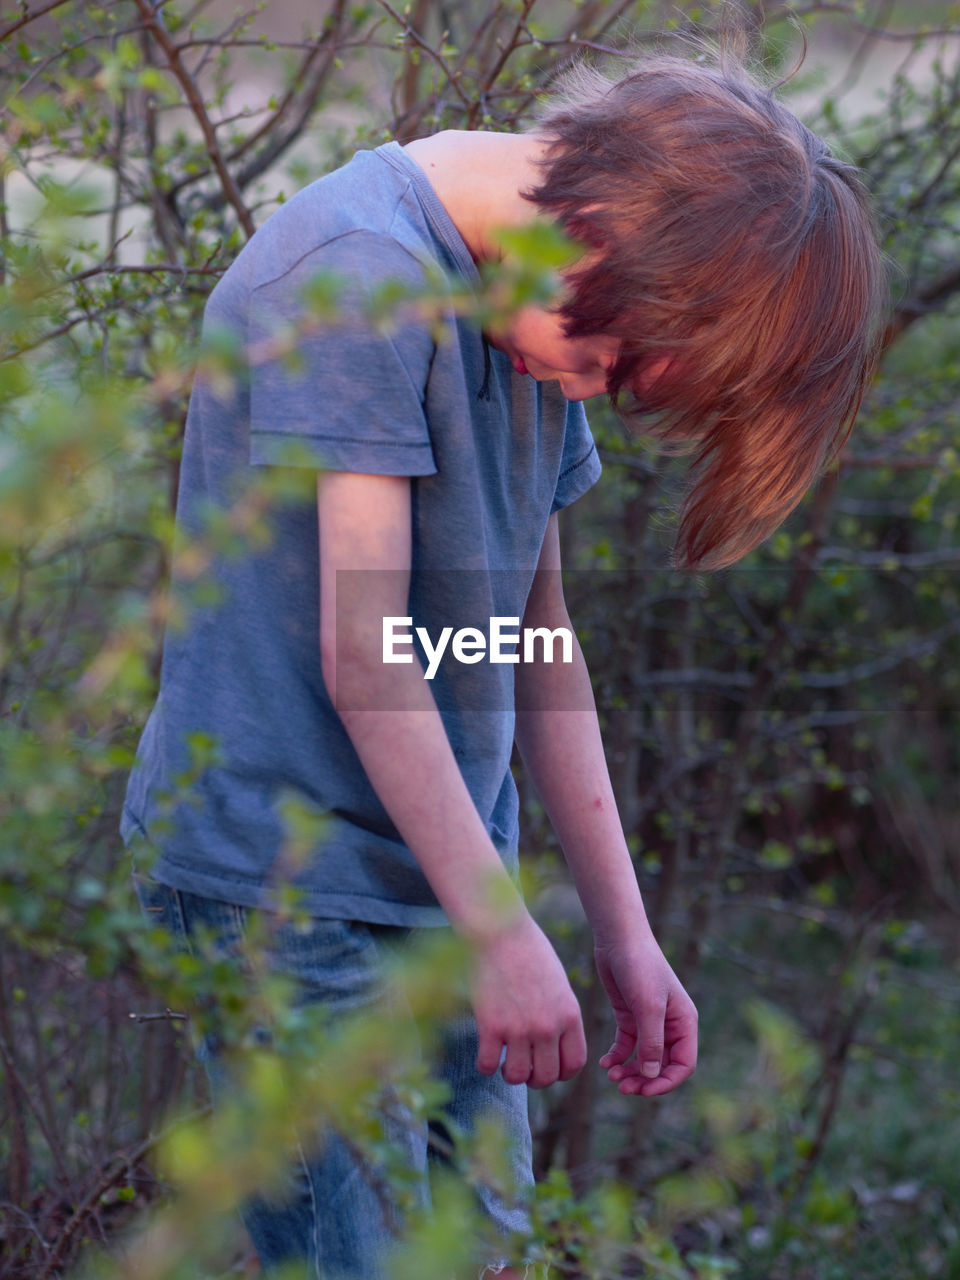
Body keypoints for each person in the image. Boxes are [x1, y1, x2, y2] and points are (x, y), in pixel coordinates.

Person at [124, 42, 883, 1280]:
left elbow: (532, 645)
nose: (587, 388)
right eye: (609, 365)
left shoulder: (536, 299)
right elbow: (366, 653)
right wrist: (505, 936)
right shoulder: (363, 279)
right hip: (283, 884)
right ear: (593, 229)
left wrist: (623, 935)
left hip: (440, 874)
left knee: (486, 1254)